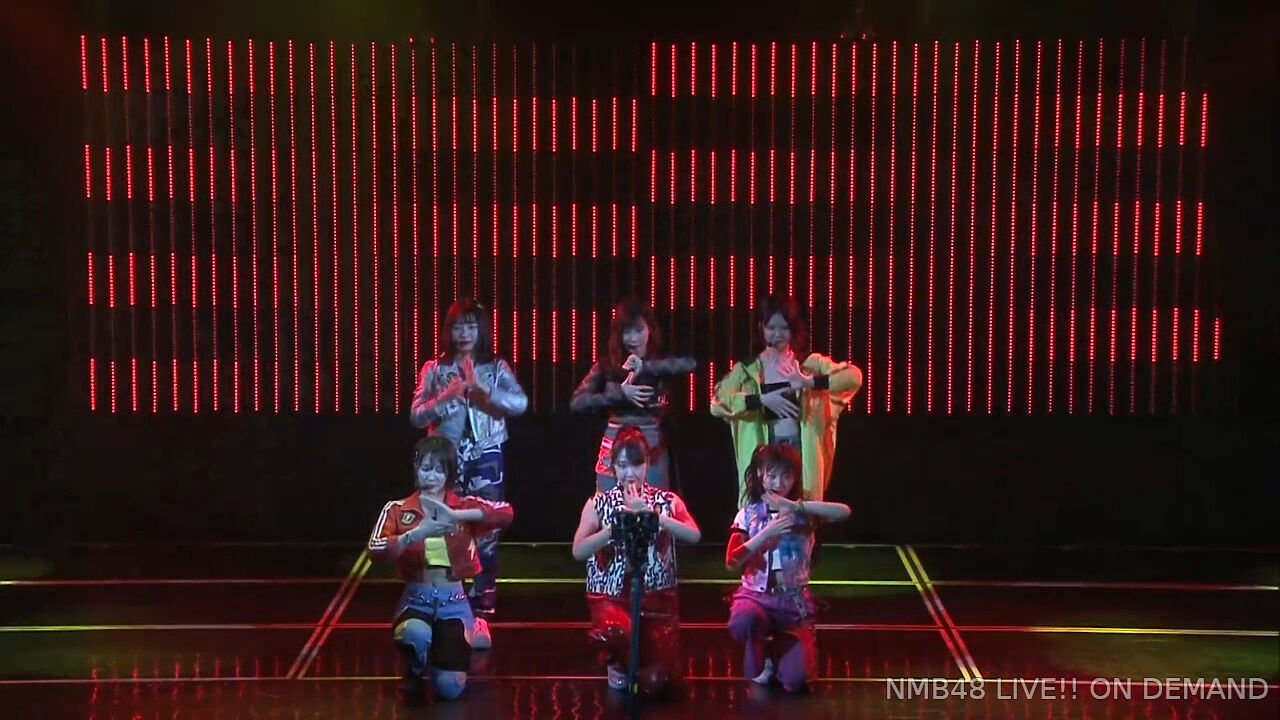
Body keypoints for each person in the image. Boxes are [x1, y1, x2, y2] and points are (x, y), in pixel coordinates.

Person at [410, 297, 526, 646]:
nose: (464, 333)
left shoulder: (496, 367)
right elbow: (416, 415)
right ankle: (444, 599)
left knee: (486, 528)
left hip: (486, 456)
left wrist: (484, 389)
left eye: (471, 326)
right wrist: (447, 396)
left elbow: (519, 404)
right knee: (443, 528)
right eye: (458, 326)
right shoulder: (434, 368)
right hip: (446, 460)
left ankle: (482, 606)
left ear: (481, 330)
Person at [367, 435, 515, 704]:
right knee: (415, 634)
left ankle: (448, 649)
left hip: (453, 602)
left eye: (439, 470)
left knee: (450, 689)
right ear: (416, 469)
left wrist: (456, 516)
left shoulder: (463, 505)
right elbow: (375, 548)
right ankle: (415, 668)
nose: (432, 476)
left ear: (448, 473)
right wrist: (414, 534)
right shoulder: (397, 509)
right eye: (426, 468)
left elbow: (505, 512)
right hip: (417, 599)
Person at [571, 426, 702, 693]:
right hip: (611, 596)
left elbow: (694, 534)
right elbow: (579, 550)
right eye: (622, 466)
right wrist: (610, 531)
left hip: (657, 596)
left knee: (658, 681)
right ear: (613, 468)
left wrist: (657, 518)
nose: (630, 473)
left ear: (647, 463)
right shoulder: (598, 504)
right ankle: (616, 661)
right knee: (615, 633)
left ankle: (642, 661)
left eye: (636, 464)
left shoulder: (667, 501)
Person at [711, 294, 863, 503]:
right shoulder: (747, 369)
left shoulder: (809, 363)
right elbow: (718, 402)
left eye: (784, 328)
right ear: (761, 328)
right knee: (762, 511)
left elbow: (853, 377)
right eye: (771, 327)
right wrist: (761, 400)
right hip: (765, 452)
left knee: (802, 509)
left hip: (800, 450)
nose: (777, 334)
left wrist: (809, 382)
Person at [725, 442, 851, 693]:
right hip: (755, 597)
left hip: (792, 601)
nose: (779, 483)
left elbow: (844, 512)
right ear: (760, 474)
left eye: (786, 476)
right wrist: (765, 535)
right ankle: (759, 641)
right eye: (772, 475)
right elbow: (731, 562)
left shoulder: (805, 512)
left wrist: (797, 507)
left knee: (795, 682)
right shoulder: (747, 514)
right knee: (744, 622)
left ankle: (782, 645)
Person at [570, 297, 696, 492]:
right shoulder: (607, 365)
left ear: (649, 330)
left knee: (654, 502)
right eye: (627, 332)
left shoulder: (659, 363)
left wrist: (645, 367)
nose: (633, 339)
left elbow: (690, 364)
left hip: (651, 442)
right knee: (608, 502)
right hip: (614, 440)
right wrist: (619, 393)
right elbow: (577, 402)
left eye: (638, 331)